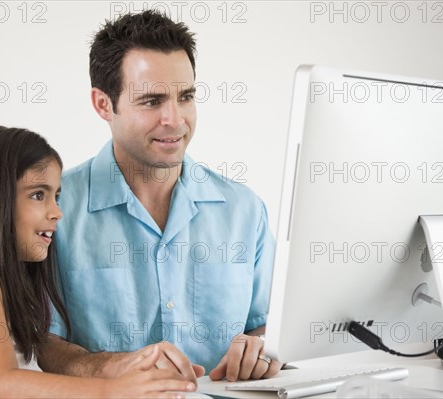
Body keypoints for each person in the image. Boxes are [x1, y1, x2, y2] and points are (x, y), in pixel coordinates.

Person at [36, 10, 282, 382]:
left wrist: (260, 350)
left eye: (185, 97)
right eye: (152, 101)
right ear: (104, 104)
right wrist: (114, 366)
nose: (175, 119)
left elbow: (266, 328)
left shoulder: (244, 210)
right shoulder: (55, 209)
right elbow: (43, 343)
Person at [0, 126, 196, 398]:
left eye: (56, 196)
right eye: (38, 195)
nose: (57, 212)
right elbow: (4, 383)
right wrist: (114, 391)